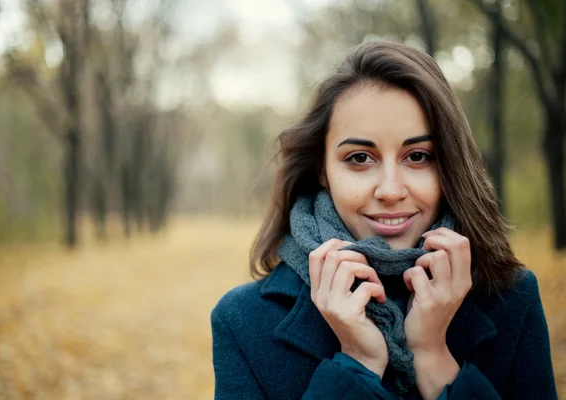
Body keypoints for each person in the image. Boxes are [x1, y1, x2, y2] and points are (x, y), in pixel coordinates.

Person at [210, 41, 558, 399]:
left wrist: (434, 358)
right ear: (322, 169)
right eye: (360, 157)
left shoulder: (513, 298)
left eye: (418, 156)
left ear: (450, 165)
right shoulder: (242, 320)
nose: (390, 190)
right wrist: (356, 365)